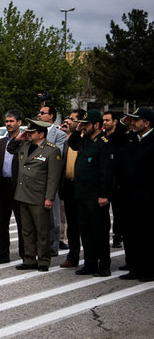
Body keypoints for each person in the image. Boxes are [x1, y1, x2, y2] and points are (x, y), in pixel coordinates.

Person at [7, 119, 62, 272]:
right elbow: (10, 148)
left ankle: (43, 260)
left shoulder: (52, 150)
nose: (29, 135)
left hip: (39, 196)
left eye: (32, 132)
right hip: (23, 194)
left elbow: (53, 177)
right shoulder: (24, 145)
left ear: (41, 134)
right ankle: (29, 259)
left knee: (42, 230)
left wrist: (49, 198)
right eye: (28, 132)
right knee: (27, 229)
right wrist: (19, 138)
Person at [69, 109, 113, 277]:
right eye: (82, 124)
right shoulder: (84, 140)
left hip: (96, 196)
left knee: (99, 231)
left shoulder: (103, 142)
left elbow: (106, 172)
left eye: (86, 124)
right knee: (85, 231)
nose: (84, 127)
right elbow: (72, 144)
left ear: (96, 125)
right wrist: (78, 129)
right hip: (81, 194)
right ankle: (90, 263)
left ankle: (104, 265)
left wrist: (104, 194)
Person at [117, 107, 154, 282]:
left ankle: (148, 269)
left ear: (146, 123)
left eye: (136, 120)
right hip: (127, 194)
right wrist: (122, 122)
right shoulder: (130, 138)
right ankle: (134, 267)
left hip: (147, 196)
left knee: (146, 234)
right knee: (130, 232)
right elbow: (114, 139)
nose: (132, 123)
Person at [0, 110, 24, 263]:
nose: (8, 124)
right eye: (7, 121)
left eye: (11, 121)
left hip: (18, 186)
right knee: (2, 223)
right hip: (2, 185)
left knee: (22, 223)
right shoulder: (1, 142)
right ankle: (3, 253)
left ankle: (25, 254)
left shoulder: (25, 141)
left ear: (19, 123)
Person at [37, 105, 66, 257]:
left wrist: (40, 155)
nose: (39, 115)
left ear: (51, 116)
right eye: (39, 112)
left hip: (51, 178)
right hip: (36, 179)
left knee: (54, 217)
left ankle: (54, 245)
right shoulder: (34, 131)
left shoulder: (59, 134)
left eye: (42, 113)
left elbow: (56, 154)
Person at [59, 109, 86, 269]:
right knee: (72, 225)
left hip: (82, 187)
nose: (68, 120)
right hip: (68, 186)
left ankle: (91, 258)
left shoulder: (85, 139)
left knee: (86, 224)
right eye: (68, 118)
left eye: (72, 119)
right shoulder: (68, 140)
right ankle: (73, 256)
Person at [102, 110, 128, 249]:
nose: (104, 123)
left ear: (115, 122)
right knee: (103, 212)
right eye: (103, 120)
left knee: (118, 212)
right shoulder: (101, 137)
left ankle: (117, 236)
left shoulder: (120, 137)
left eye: (107, 120)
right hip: (104, 180)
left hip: (117, 181)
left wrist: (124, 123)